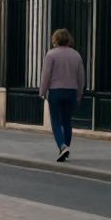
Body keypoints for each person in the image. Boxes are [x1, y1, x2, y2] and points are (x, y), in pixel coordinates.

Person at [40, 28, 84, 162]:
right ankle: (66, 148)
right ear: (68, 39)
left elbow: (46, 75)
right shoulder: (76, 55)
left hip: (56, 91)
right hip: (71, 91)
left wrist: (42, 92)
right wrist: (79, 94)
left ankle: (62, 146)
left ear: (55, 39)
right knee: (67, 121)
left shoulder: (51, 55)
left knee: (55, 121)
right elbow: (81, 77)